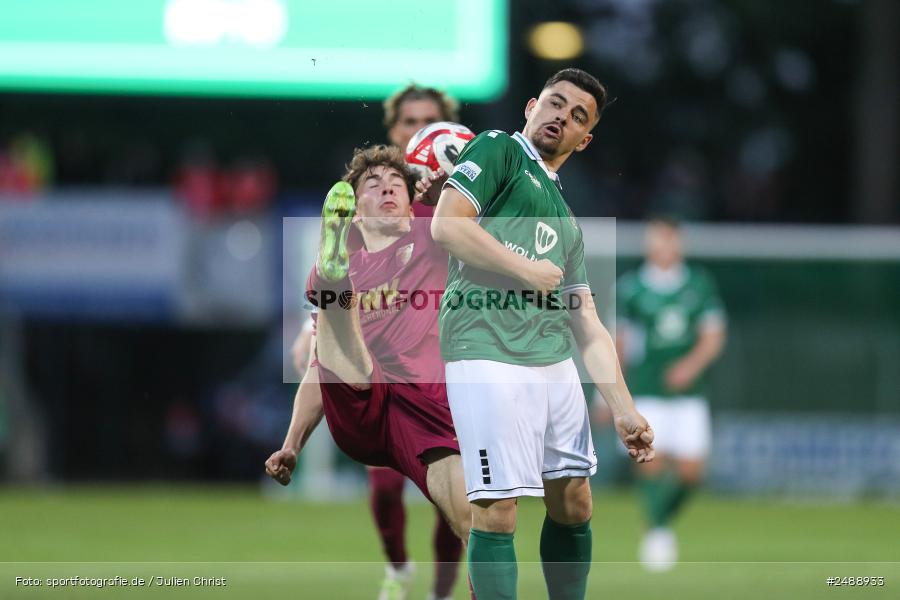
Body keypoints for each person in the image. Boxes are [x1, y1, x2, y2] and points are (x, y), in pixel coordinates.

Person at [430, 68, 656, 600]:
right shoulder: (498, 151)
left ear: (586, 138)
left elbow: (587, 323)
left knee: (575, 500)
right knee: (497, 509)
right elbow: (447, 225)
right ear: (531, 107)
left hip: (550, 361)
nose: (563, 116)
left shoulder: (568, 223)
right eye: (555, 103)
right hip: (484, 349)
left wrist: (623, 408)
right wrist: (526, 270)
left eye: (578, 115)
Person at [281, 84, 463, 600]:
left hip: (429, 394)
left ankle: (445, 588)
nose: (415, 130)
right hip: (367, 389)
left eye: (427, 122)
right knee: (386, 486)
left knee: (466, 508)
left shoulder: (441, 219)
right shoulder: (370, 217)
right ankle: (401, 568)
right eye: (409, 121)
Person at [614, 216, 726, 570]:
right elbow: (618, 343)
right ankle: (658, 532)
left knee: (692, 473)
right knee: (651, 463)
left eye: (668, 240)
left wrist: (690, 366)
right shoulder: (631, 288)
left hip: (689, 394)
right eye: (656, 240)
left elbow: (713, 336)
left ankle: (657, 520)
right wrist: (613, 393)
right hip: (646, 390)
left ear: (679, 244)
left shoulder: (699, 284)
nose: (662, 247)